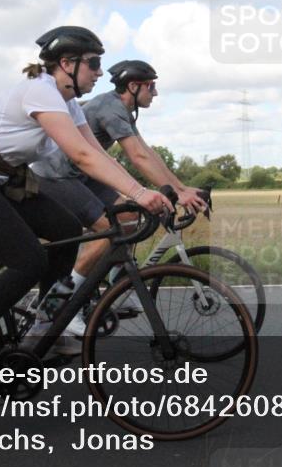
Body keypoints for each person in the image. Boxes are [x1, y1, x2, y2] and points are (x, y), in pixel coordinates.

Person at [0, 27, 172, 397]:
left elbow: (95, 154)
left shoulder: (70, 104)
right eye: (93, 63)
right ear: (66, 64)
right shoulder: (40, 91)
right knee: (27, 260)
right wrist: (141, 193)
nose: (98, 72)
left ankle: (45, 328)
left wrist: (130, 195)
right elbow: (79, 156)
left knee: (66, 230)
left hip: (2, 180)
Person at [29, 59, 207, 334]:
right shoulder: (111, 107)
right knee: (108, 230)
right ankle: (58, 306)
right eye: (151, 86)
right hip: (56, 175)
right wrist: (165, 192)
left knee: (131, 217)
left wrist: (181, 188)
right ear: (134, 86)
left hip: (79, 175)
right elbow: (136, 156)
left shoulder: (121, 108)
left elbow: (147, 152)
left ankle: (118, 280)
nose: (155, 93)